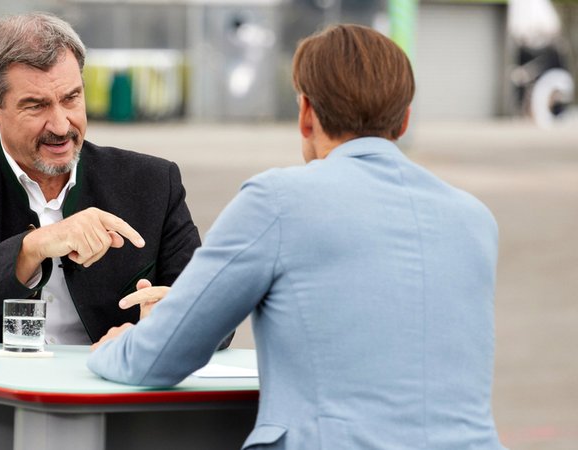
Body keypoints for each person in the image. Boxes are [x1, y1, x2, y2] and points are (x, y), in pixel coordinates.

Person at [88, 24, 508, 449]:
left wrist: (117, 345)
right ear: (404, 120)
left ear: (306, 113)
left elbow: (163, 355)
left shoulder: (277, 201)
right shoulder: (474, 219)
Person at [0, 12, 219, 346]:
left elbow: (214, 314)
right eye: (36, 106)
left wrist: (162, 332)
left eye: (71, 98)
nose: (62, 126)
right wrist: (31, 249)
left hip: (114, 389)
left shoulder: (152, 181)